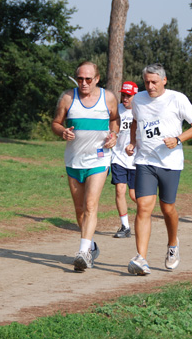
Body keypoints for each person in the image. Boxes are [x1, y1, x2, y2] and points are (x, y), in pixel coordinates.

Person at [125, 63, 192, 275]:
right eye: (147, 82)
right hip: (145, 161)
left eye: (154, 82)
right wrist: (133, 142)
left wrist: (178, 139)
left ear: (164, 81)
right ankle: (141, 258)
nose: (150, 86)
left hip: (170, 163)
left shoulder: (177, 99)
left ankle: (172, 245)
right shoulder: (138, 100)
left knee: (167, 208)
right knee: (143, 207)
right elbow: (135, 122)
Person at [51, 61, 119, 272]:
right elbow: (55, 123)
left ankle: (82, 253)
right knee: (79, 209)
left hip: (99, 160)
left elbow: (115, 120)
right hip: (74, 160)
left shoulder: (107, 98)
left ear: (97, 79)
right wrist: (62, 132)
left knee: (90, 205)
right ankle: (90, 245)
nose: (84, 83)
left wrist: (114, 135)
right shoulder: (68, 98)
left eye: (88, 79)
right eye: (80, 79)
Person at [110, 81, 138, 238]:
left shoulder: (141, 111)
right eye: (123, 95)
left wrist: (134, 145)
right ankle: (125, 226)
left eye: (129, 95)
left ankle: (144, 217)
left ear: (135, 96)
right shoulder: (116, 110)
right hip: (118, 156)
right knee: (120, 190)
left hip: (135, 158)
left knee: (134, 196)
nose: (125, 98)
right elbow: (111, 128)